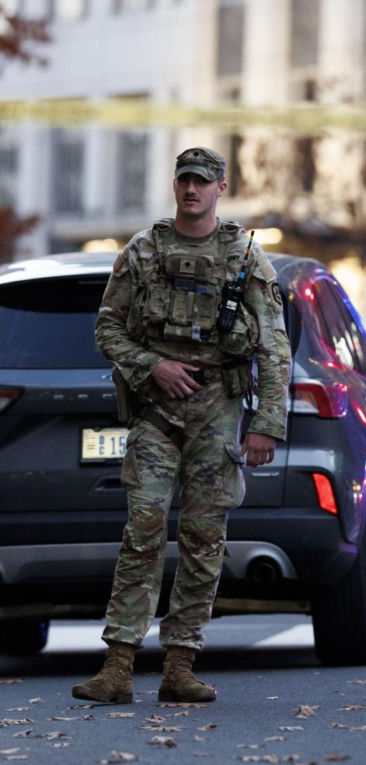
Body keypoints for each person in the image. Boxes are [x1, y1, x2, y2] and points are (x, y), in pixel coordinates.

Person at [73, 147, 291, 704]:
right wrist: (153, 366)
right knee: (142, 530)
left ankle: (180, 665)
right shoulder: (143, 251)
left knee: (203, 537)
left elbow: (273, 346)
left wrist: (267, 423)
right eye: (184, 180)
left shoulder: (245, 256)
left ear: (222, 187)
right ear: (175, 186)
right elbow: (108, 329)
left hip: (218, 407)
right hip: (157, 410)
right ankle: (118, 666)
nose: (191, 189)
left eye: (202, 181)